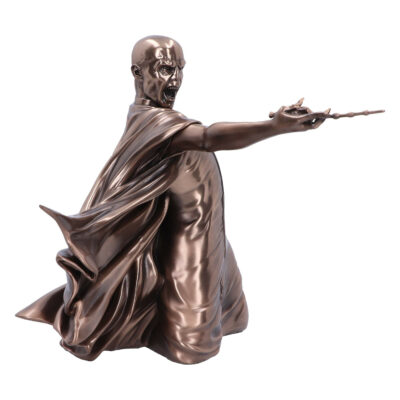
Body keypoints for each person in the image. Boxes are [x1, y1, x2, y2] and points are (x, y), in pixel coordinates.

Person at [16, 35, 329, 364]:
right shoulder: (156, 123)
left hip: (211, 237)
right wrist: (274, 127)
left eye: (180, 69)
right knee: (192, 347)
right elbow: (207, 137)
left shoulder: (155, 121)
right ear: (138, 73)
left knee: (231, 317)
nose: (175, 79)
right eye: (165, 69)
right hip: (187, 245)